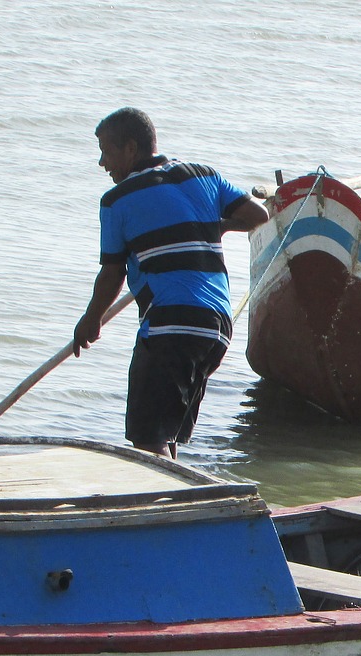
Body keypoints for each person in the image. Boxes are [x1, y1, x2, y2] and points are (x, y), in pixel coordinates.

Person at [73, 107, 269, 458]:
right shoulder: (203, 175)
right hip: (216, 328)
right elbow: (258, 215)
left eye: (107, 151)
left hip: (171, 326)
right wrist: (219, 226)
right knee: (168, 434)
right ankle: (178, 498)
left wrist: (90, 320)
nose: (102, 162)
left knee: (148, 440)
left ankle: (163, 507)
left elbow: (112, 273)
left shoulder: (116, 201)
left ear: (131, 149)